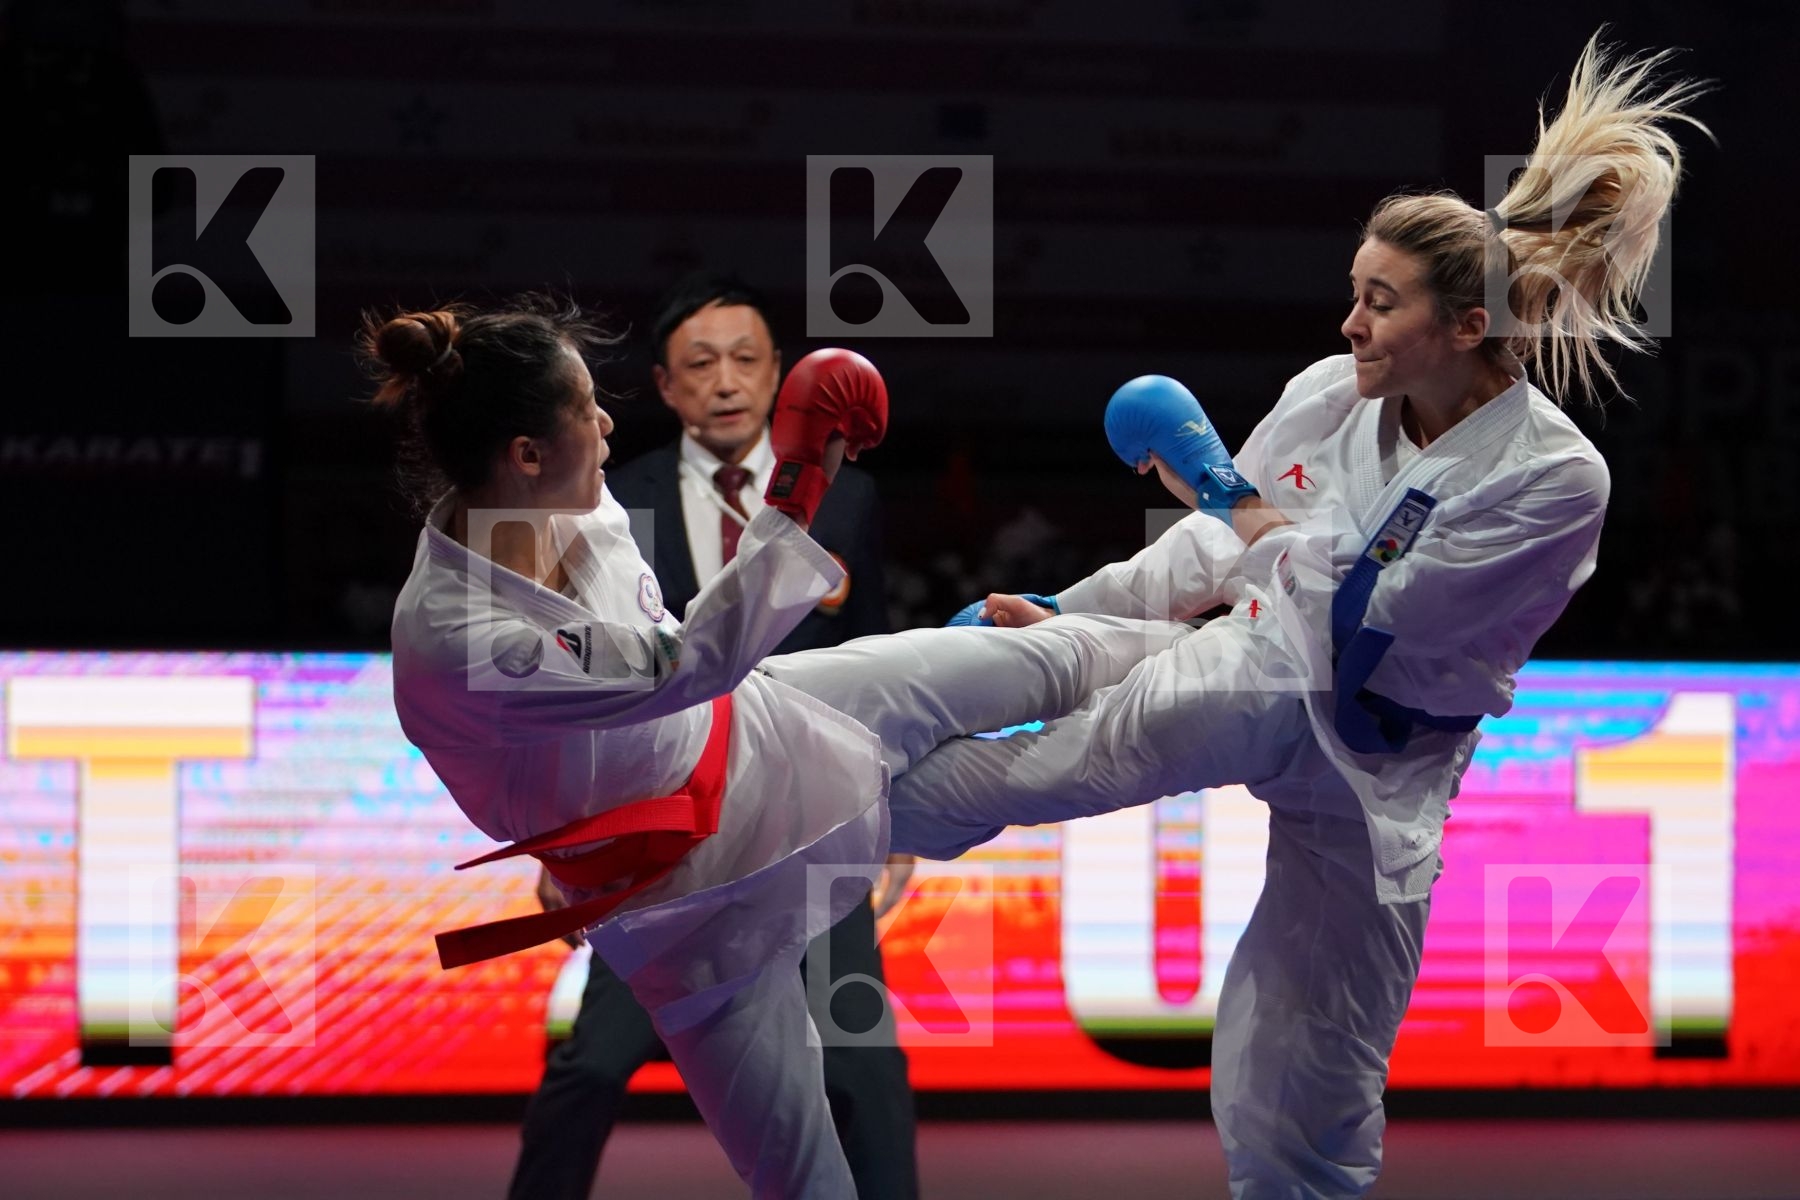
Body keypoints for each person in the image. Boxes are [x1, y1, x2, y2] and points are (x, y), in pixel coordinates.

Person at [862, 34, 1710, 1199]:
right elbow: (1216, 553)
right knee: (1055, 759)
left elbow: (1371, 623)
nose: (1351, 323)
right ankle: (783, 799)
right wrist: (1077, 602)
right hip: (1256, 672)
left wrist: (1237, 502)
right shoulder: (1329, 390)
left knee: (1294, 1084)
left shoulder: (1554, 479)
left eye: (1379, 302)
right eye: (1354, 294)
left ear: (1466, 328)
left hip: (1377, 762)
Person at [374, 295, 1189, 1196]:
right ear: (525, 455)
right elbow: (685, 662)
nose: (606, 423)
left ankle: (1236, 648)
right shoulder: (462, 636)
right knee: (800, 1175)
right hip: (681, 904)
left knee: (1023, 663)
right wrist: (803, 479)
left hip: (763, 734)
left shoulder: (553, 497)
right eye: (584, 407)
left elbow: (691, 666)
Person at [510, 273, 919, 1200]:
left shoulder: (848, 499)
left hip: (811, 819)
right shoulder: (611, 505)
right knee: (592, 1069)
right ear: (663, 385)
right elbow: (576, 682)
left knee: (863, 1068)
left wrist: (889, 813)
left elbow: (879, 659)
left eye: (747, 359)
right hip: (661, 839)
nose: (727, 381)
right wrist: (566, 836)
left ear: (780, 372)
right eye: (702, 364)